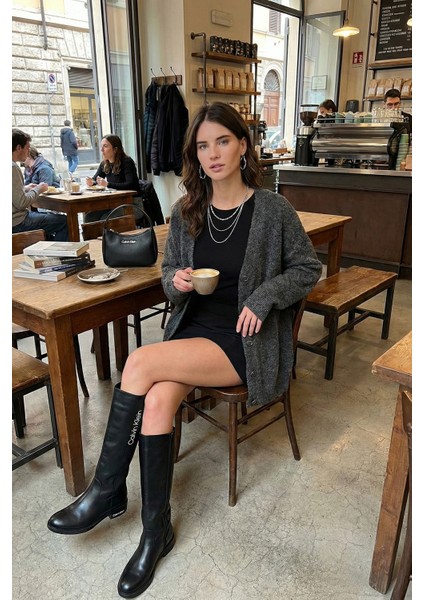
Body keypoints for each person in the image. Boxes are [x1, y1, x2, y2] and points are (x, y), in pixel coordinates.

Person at [47, 102, 322, 598]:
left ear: (242, 146)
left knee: (138, 361)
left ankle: (107, 490)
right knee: (155, 400)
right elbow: (169, 277)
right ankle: (156, 532)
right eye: (203, 146)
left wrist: (263, 297)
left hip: (243, 340)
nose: (213, 154)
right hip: (193, 331)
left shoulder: (272, 210)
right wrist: (175, 281)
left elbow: (307, 269)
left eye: (223, 141)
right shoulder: (187, 211)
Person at [12, 129, 69, 241]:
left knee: (50, 221)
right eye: (27, 148)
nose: (29, 151)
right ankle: (59, 252)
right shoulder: (13, 167)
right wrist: (38, 189)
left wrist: (25, 188)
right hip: (17, 222)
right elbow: (22, 203)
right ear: (19, 148)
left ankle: (49, 247)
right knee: (65, 221)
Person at [84, 134, 142, 222]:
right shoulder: (105, 163)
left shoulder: (127, 162)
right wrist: (91, 182)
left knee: (104, 220)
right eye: (101, 146)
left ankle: (106, 232)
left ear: (115, 149)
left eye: (105, 146)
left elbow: (131, 185)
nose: (101, 150)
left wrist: (108, 184)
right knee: (89, 217)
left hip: (132, 204)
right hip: (114, 204)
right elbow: (96, 179)